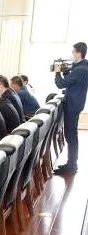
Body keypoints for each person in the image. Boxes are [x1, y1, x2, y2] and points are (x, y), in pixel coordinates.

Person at [54, 41, 88, 174]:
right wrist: (67, 71)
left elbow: (61, 84)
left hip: (73, 105)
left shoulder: (80, 69)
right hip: (77, 102)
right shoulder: (83, 66)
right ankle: (71, 164)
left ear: (78, 53)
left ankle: (72, 166)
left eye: (73, 52)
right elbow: (72, 82)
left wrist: (57, 72)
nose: (72, 54)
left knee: (71, 136)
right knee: (71, 135)